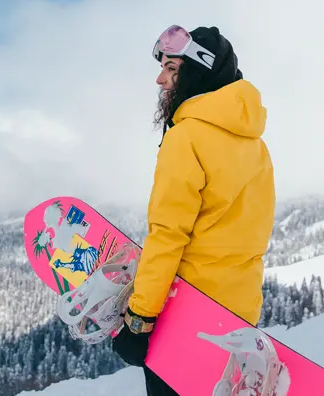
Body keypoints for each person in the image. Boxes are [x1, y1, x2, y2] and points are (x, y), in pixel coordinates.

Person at [111, 24, 276, 396]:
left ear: (197, 72)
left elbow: (168, 235)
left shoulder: (186, 137)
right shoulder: (255, 143)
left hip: (186, 315)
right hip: (238, 315)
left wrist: (139, 318)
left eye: (172, 69)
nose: (161, 80)